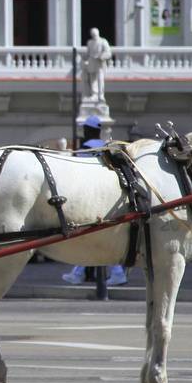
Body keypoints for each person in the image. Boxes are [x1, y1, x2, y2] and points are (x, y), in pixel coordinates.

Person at [63, 116, 126, 287]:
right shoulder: (106, 146)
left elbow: (79, 173)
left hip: (89, 197)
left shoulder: (85, 148)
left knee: (86, 236)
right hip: (108, 194)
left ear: (89, 131)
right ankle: (82, 272)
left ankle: (81, 273)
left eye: (85, 129)